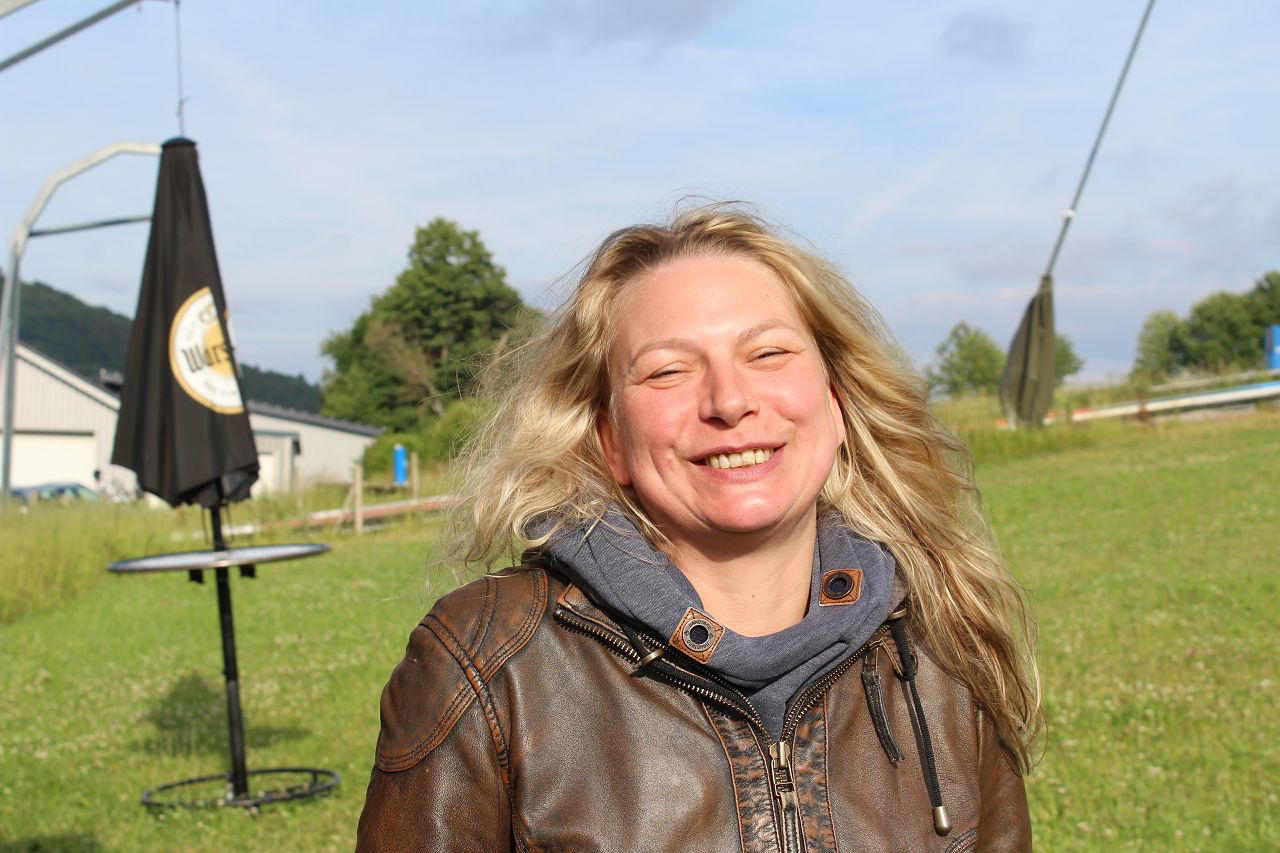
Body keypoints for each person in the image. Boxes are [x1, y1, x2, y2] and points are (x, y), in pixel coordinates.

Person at [356, 204, 1041, 852]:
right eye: (667, 371)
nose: (730, 401)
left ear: (835, 403)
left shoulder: (939, 641)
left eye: (767, 354)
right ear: (609, 439)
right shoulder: (488, 665)